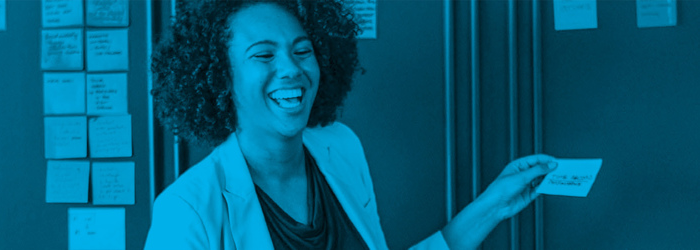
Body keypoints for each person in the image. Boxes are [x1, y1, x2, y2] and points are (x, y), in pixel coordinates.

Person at [144, 1, 558, 249]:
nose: (291, 69)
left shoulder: (340, 147)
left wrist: (494, 204)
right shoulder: (187, 210)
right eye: (263, 56)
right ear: (221, 78)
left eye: (302, 50)